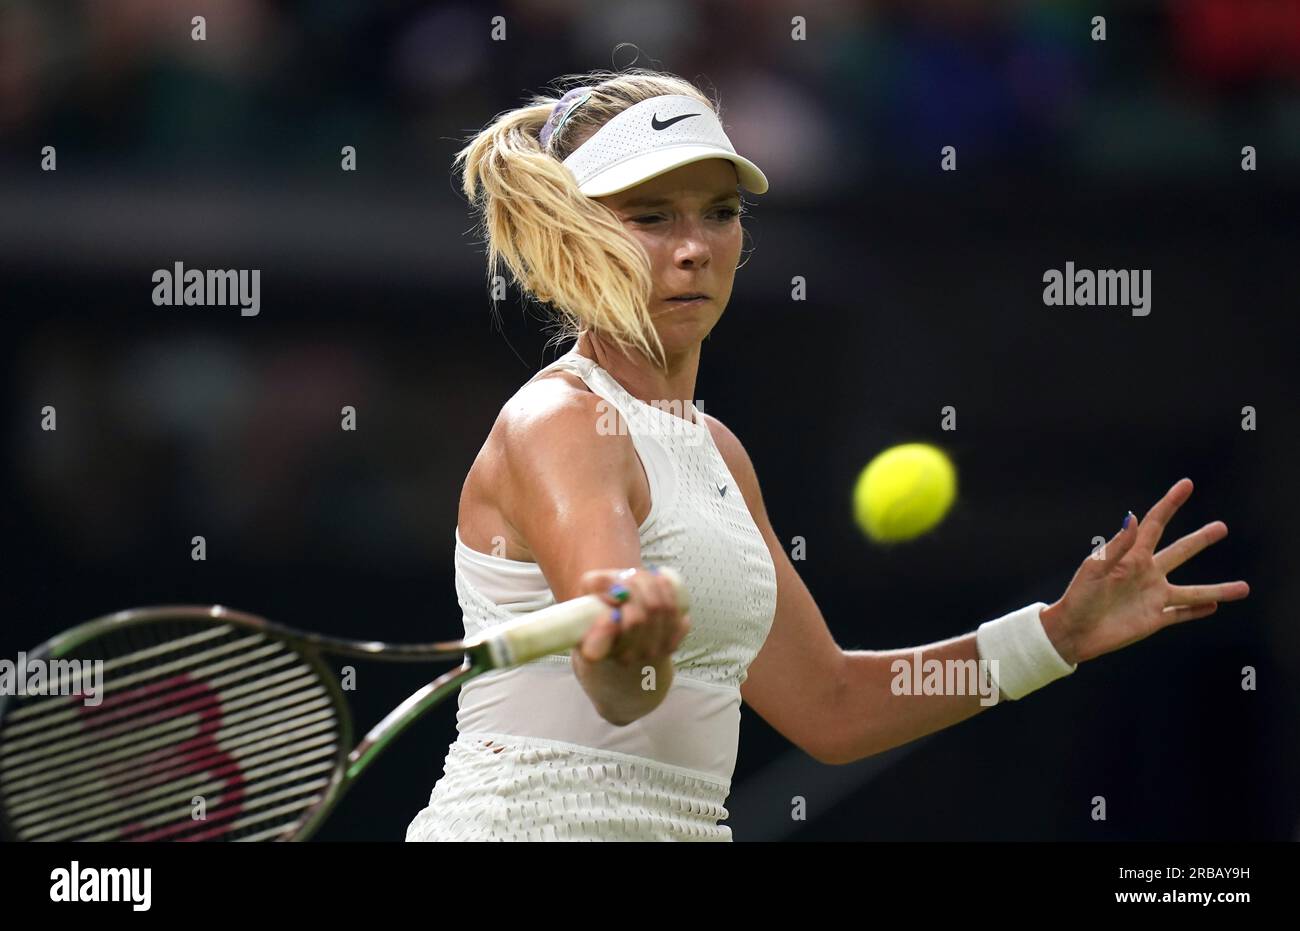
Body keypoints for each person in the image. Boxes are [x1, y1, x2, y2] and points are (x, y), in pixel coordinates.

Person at [404, 68, 1250, 841]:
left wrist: (1055, 634)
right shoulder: (561, 421)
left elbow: (832, 706)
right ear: (574, 235)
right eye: (652, 217)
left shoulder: (718, 453)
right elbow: (619, 684)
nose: (694, 246)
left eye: (719, 212)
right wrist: (629, 646)